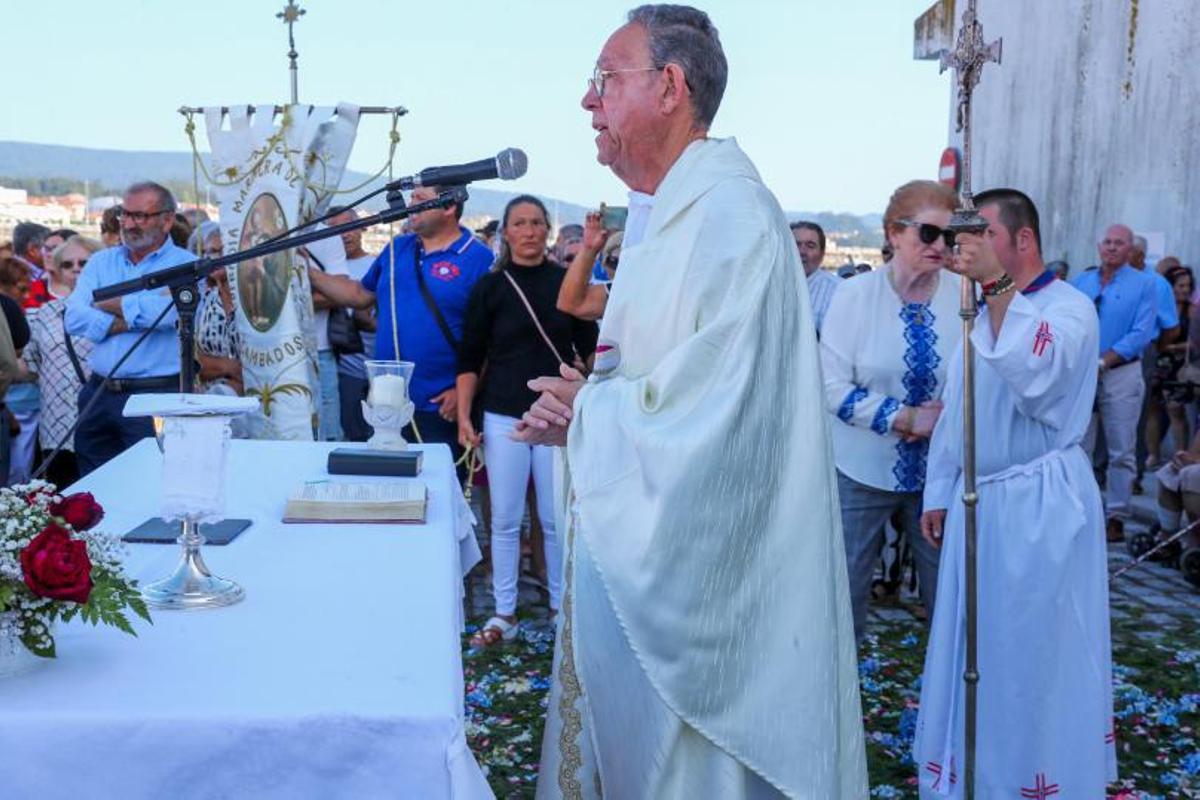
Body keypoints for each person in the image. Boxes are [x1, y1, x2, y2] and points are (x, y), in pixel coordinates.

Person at [522, 7, 866, 797]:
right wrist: (585, 411)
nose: (588, 102)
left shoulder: (731, 216)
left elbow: (724, 408)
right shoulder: (671, 213)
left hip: (707, 583)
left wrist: (594, 416)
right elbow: (661, 376)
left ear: (670, 86)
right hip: (644, 549)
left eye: (604, 80)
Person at [917, 188, 1114, 798]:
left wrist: (995, 286)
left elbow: (1037, 381)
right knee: (976, 646)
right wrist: (939, 488)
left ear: (1023, 241)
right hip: (983, 504)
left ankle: (1035, 775)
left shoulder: (1070, 308)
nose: (969, 251)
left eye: (984, 237)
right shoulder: (974, 312)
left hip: (1040, 506)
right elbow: (959, 410)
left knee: (1033, 652)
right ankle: (975, 771)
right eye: (963, 239)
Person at [819, 180, 960, 641]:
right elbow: (829, 386)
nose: (941, 246)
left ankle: (952, 701)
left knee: (951, 591)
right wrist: (905, 418)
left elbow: (1007, 331)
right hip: (860, 468)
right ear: (893, 233)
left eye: (952, 236)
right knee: (843, 591)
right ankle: (837, 702)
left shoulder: (966, 295)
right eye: (929, 233)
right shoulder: (853, 295)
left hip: (942, 474)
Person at [456, 195, 598, 648]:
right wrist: (464, 415)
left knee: (555, 520)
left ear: (548, 231)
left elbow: (592, 351)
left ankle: (560, 610)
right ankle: (504, 613)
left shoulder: (566, 284)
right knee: (504, 519)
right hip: (503, 414)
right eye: (521, 222)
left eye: (538, 222)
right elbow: (471, 357)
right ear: (507, 233)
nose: (530, 230)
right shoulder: (490, 289)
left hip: (557, 417)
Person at [307, 185, 494, 456]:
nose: (410, 204)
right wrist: (309, 273)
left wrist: (463, 395)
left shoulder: (479, 258)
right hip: (386, 403)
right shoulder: (397, 247)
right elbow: (359, 295)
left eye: (420, 199)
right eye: (411, 197)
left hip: (441, 405)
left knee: (437, 491)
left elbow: (491, 339)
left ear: (449, 207)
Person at [66, 181, 192, 475]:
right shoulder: (100, 261)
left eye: (141, 216)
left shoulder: (186, 265)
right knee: (93, 488)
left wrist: (112, 303)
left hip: (155, 396)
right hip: (98, 393)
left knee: (148, 482)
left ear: (167, 219)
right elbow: (73, 318)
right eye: (126, 215)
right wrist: (135, 314)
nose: (130, 224)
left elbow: (170, 315)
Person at [1072, 223, 1161, 541]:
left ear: (1130, 250)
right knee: (1078, 444)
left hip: (1120, 372)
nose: (1111, 247)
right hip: (1081, 374)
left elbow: (1142, 333)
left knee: (1121, 447)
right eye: (1107, 241)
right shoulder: (1082, 282)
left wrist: (1105, 360)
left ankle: (1117, 516)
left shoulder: (1144, 284)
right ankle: (1079, 510)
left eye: (1118, 243)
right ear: (1099, 246)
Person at [23, 236, 100, 487]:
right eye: (68, 264)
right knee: (61, 504)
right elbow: (31, 364)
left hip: (98, 419)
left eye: (84, 262)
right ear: (58, 270)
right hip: (55, 426)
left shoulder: (112, 310)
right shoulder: (45, 313)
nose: (76, 268)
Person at [325, 207, 377, 443]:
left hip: (380, 366)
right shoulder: (329, 272)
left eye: (349, 227)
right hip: (347, 370)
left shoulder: (376, 265)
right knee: (353, 435)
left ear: (361, 228)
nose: (344, 235)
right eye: (335, 230)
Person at [1144, 265, 1195, 467]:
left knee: (1176, 411)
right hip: (1158, 363)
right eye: (1180, 285)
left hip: (1179, 366)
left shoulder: (1192, 310)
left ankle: (1179, 455)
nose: (1184, 290)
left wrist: (1173, 346)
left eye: (1188, 286)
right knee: (1153, 410)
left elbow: (1195, 341)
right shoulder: (1159, 305)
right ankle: (1153, 455)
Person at [189, 223, 243, 396]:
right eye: (210, 252)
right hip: (213, 400)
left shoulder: (255, 297)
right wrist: (230, 367)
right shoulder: (203, 301)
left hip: (261, 401)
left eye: (223, 250)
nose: (216, 257)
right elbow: (194, 360)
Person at [556, 211, 616, 321]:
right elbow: (572, 305)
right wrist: (589, 249)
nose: (575, 264)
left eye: (578, 258)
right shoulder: (632, 286)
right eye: (570, 259)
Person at [790, 220, 841, 335]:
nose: (802, 251)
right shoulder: (768, 288)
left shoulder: (839, 291)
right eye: (795, 244)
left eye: (810, 246)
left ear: (822, 254)